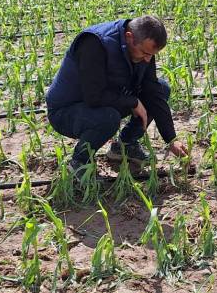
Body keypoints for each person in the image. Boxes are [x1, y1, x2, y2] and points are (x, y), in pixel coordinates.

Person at [45, 15, 190, 175]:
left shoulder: (143, 48)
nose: (148, 59)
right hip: (66, 110)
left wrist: (171, 139)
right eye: (145, 53)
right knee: (109, 117)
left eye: (152, 55)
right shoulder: (95, 43)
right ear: (129, 37)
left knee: (162, 88)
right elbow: (94, 97)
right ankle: (79, 163)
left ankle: (124, 146)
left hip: (103, 98)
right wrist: (133, 102)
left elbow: (153, 91)